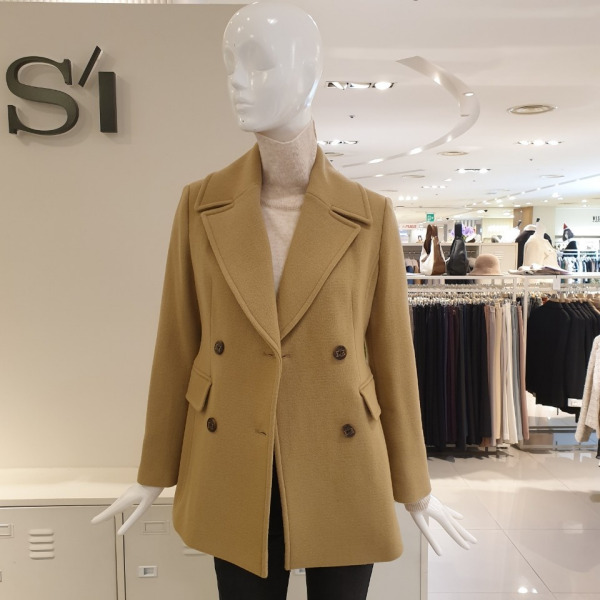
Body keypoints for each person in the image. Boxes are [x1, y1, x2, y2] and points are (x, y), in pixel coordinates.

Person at [93, 3, 475, 598]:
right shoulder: (200, 204)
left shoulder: (369, 214)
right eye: (230, 66)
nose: (238, 83)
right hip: (233, 458)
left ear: (310, 73)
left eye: (259, 64)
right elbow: (177, 343)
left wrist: (415, 487)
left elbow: (393, 359)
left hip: (341, 460)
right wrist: (153, 471)